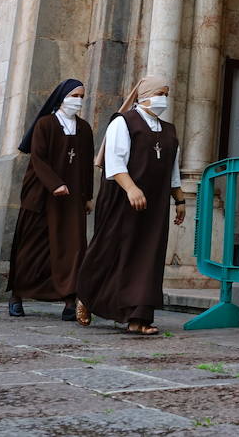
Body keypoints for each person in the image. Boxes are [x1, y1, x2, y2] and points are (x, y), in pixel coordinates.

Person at [75, 76, 184, 334]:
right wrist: (131, 188)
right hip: (122, 198)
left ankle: (139, 317)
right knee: (109, 249)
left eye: (166, 93)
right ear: (144, 94)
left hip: (155, 203)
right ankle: (86, 295)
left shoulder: (169, 130)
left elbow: (173, 170)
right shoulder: (123, 122)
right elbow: (114, 162)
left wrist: (179, 199)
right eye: (160, 92)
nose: (163, 98)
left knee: (148, 256)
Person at [7, 79, 94, 319]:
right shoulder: (45, 124)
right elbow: (38, 159)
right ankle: (18, 294)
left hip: (72, 197)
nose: (78, 101)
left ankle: (69, 300)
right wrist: (55, 184)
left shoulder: (84, 128)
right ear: (62, 97)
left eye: (81, 97)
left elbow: (86, 164)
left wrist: (88, 196)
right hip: (41, 195)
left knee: (72, 246)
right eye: (74, 95)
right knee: (31, 246)